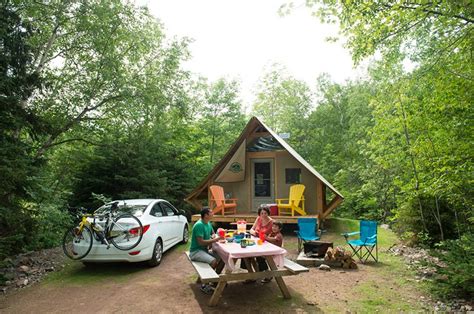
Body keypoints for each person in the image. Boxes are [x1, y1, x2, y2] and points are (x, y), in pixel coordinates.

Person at [189, 207, 223, 295]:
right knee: (213, 261)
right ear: (206, 215)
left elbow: (213, 234)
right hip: (196, 252)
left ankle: (215, 279)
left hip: (204, 251)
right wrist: (215, 240)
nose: (213, 214)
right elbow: (201, 242)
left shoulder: (208, 223)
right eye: (211, 212)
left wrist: (218, 234)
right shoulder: (199, 225)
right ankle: (205, 285)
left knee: (223, 257)